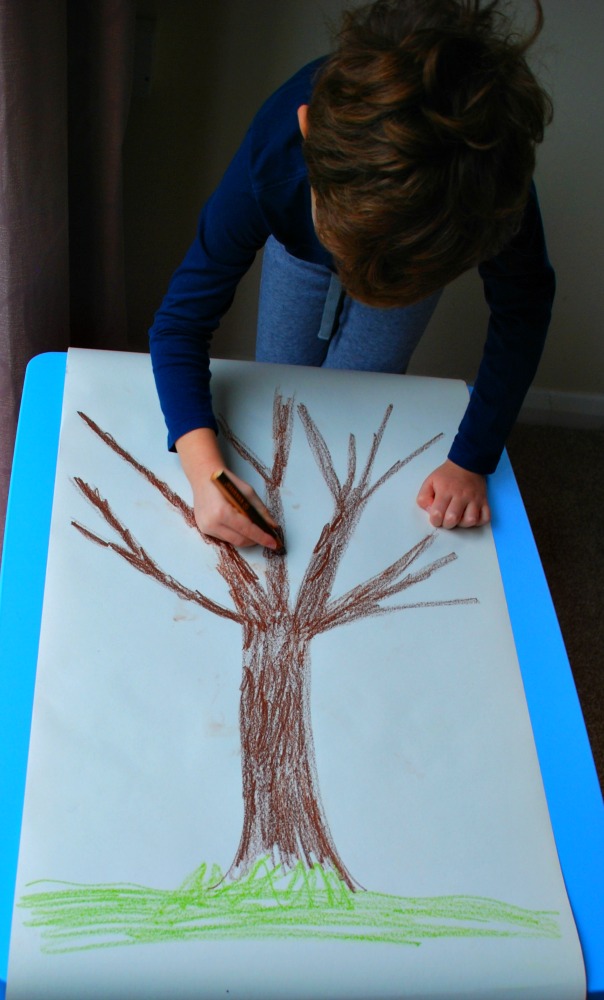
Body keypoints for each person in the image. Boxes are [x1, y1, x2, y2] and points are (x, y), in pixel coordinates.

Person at [149, 0, 554, 551]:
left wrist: (471, 460)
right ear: (307, 130)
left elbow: (523, 311)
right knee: (282, 385)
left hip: (412, 268)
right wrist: (207, 473)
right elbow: (180, 322)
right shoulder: (274, 161)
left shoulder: (493, 199)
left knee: (360, 393)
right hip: (298, 245)